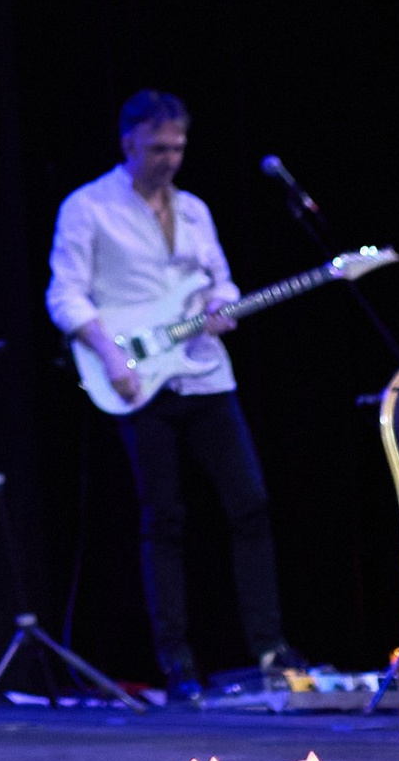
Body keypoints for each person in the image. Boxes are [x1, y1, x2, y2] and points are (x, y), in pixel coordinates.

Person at [46, 87, 289, 696]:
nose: (169, 159)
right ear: (128, 143)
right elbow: (65, 294)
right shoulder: (88, 207)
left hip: (205, 370)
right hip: (137, 374)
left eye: (178, 147)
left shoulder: (196, 210)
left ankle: (268, 648)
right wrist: (110, 355)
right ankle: (176, 660)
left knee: (251, 503)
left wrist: (221, 303)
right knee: (165, 518)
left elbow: (220, 279)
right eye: (157, 147)